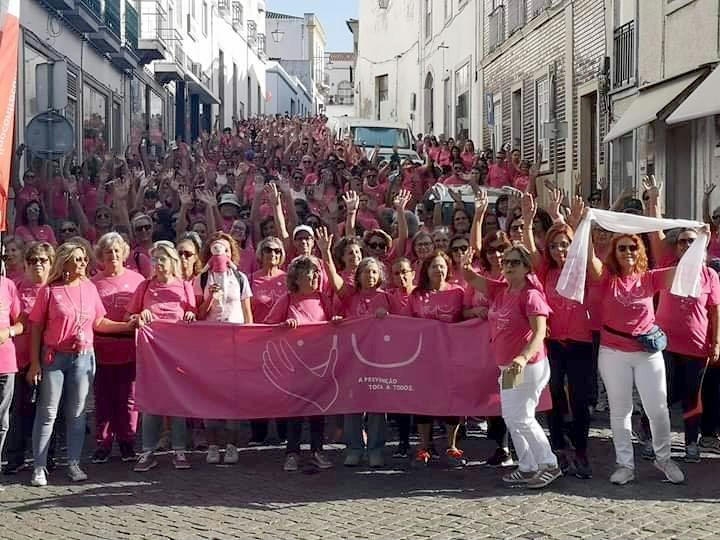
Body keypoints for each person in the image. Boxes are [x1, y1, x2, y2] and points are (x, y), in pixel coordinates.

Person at [584, 212, 691, 485]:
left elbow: (686, 270)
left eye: (633, 247)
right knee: (620, 411)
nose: (628, 252)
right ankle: (625, 465)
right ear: (614, 251)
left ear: (640, 250)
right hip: (613, 352)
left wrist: (701, 237)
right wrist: (582, 225)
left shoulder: (649, 278)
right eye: (622, 247)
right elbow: (590, 260)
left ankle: (664, 458)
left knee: (657, 409)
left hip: (647, 352)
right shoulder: (606, 277)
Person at [27, 241, 136, 487]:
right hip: (54, 357)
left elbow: (100, 322)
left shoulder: (88, 287)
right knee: (48, 412)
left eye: (84, 259)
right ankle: (39, 466)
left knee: (77, 413)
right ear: (64, 261)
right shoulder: (50, 290)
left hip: (83, 357)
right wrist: (35, 363)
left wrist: (127, 326)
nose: (82, 263)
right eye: (77, 259)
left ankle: (74, 463)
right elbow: (35, 327)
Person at [463, 243, 561, 489]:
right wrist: (465, 263)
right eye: (506, 262)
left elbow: (540, 333)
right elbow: (470, 278)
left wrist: (522, 357)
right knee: (510, 416)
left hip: (528, 366)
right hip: (508, 368)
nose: (508, 266)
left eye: (514, 262)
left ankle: (549, 464)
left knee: (523, 417)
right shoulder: (500, 291)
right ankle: (528, 465)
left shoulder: (531, 295)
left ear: (527, 267)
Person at [520, 193, 594, 478]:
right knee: (552, 395)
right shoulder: (545, 271)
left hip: (581, 343)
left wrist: (576, 223)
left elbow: (589, 256)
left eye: (565, 244)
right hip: (553, 343)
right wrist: (527, 223)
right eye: (554, 245)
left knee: (581, 397)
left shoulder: (583, 269)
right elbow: (530, 250)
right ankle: (559, 446)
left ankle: (581, 449)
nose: (560, 249)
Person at [646, 183, 720, 462]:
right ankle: (654, 440)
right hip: (664, 344)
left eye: (692, 241)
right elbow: (655, 232)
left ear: (701, 245)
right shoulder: (667, 266)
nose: (687, 245)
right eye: (682, 241)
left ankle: (691, 442)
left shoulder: (710, 275)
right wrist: (654, 200)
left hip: (696, 346)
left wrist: (716, 343)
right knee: (661, 395)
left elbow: (715, 311)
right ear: (675, 247)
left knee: (692, 397)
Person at [317, 228, 391, 468]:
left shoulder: (385, 297)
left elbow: (400, 327)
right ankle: (354, 448)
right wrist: (326, 254)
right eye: (365, 272)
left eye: (373, 272)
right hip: (352, 360)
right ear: (357, 276)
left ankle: (376, 449)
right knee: (352, 404)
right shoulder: (350, 295)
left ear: (379, 275)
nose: (369, 276)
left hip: (379, 360)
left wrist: (387, 317)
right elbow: (336, 282)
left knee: (378, 405)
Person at [127, 241, 197, 473]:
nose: (158, 263)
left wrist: (189, 313)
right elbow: (130, 316)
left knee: (177, 402)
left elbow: (195, 313)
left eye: (163, 259)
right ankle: (148, 451)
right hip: (151, 355)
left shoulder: (185, 286)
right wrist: (140, 314)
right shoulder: (145, 287)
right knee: (151, 403)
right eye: (155, 259)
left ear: (173, 262)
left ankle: (179, 449)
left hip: (178, 354)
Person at [264, 255, 335, 472]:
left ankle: (317, 451)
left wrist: (337, 322)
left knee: (317, 411)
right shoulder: (287, 299)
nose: (314, 276)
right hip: (293, 365)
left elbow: (336, 321)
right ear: (297, 277)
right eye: (309, 273)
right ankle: (292, 452)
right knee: (295, 410)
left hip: (319, 364)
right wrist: (285, 325)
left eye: (316, 273)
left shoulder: (323, 298)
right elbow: (267, 326)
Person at [198, 232, 253, 465]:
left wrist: (250, 344)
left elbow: (248, 315)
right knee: (209, 394)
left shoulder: (240, 278)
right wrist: (210, 297)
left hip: (235, 344)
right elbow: (199, 314)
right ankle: (212, 445)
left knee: (233, 396)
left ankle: (231, 445)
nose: (222, 254)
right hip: (209, 347)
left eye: (226, 250)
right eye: (217, 249)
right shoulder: (201, 279)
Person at [91, 233, 145, 464]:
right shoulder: (93, 282)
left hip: (129, 348)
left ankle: (127, 442)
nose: (112, 256)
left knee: (129, 399)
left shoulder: (137, 280)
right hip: (100, 348)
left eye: (116, 251)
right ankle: (103, 443)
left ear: (123, 253)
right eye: (107, 252)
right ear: (100, 256)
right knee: (103, 399)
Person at [409, 251, 466, 467]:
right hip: (424, 357)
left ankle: (451, 446)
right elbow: (407, 323)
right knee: (423, 402)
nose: (438, 270)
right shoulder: (416, 295)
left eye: (442, 266)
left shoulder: (458, 292)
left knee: (451, 400)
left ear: (448, 269)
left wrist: (476, 312)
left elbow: (464, 315)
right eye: (434, 266)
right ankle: (424, 446)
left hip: (451, 356)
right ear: (426, 270)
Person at [3, 242, 54, 475]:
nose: (37, 265)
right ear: (25, 264)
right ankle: (15, 456)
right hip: (21, 359)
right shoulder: (17, 287)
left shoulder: (55, 289)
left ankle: (47, 456)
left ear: (51, 263)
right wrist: (13, 331)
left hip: (51, 359)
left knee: (49, 411)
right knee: (19, 411)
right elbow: (18, 321)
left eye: (43, 260)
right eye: (32, 261)